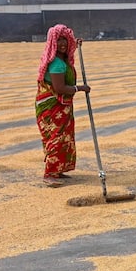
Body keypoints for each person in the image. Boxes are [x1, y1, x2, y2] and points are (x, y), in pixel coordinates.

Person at [35, 24, 90, 187]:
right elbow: (59, 88)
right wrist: (80, 88)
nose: (63, 44)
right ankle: (50, 173)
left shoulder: (61, 60)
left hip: (60, 106)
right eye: (58, 40)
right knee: (56, 137)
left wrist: (76, 44)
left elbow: (69, 53)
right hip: (52, 106)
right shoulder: (56, 63)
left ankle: (58, 170)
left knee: (63, 136)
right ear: (52, 42)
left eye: (65, 40)